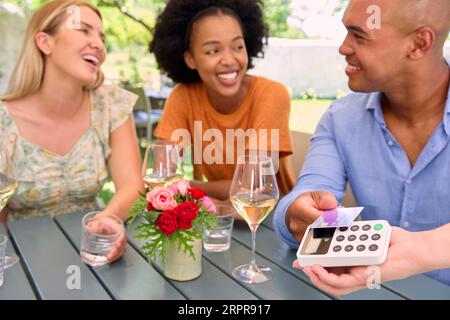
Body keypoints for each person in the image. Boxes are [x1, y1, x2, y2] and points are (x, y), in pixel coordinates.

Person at [273, 0, 450, 295]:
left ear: (419, 43)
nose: (343, 47)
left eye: (359, 35)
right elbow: (307, 194)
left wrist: (420, 251)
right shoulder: (341, 118)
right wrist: (297, 213)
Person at [0, 0, 144, 262]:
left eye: (101, 36)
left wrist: (108, 220)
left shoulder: (111, 105)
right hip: (24, 260)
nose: (99, 44)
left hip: (94, 251)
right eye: (84, 30)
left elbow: (133, 186)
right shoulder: (3, 122)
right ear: (45, 43)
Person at [150, 0, 295, 205]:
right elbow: (161, 179)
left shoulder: (271, 94)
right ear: (190, 59)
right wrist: (180, 188)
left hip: (274, 220)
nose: (229, 59)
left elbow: (253, 189)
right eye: (213, 51)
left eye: (237, 46)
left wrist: (187, 186)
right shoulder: (183, 96)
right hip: (218, 218)